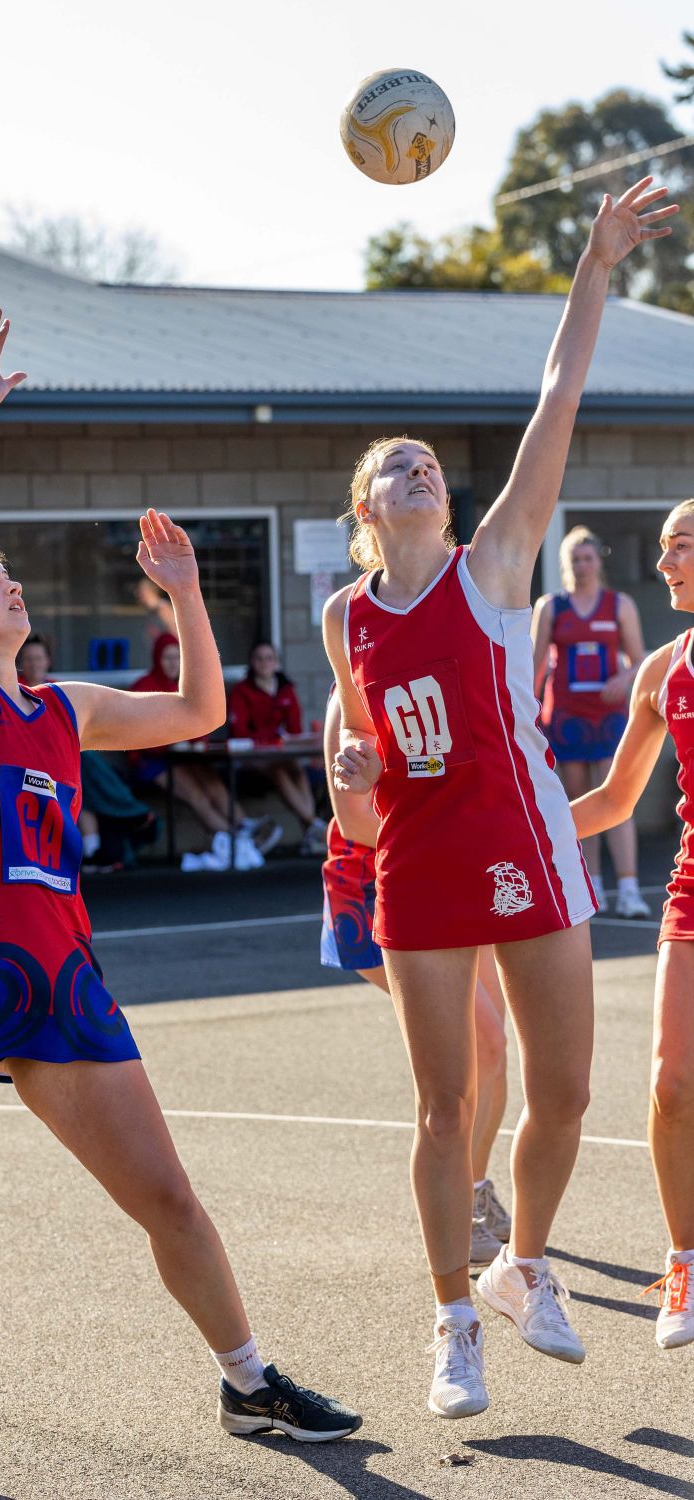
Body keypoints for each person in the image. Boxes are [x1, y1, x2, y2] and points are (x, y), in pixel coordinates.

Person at [0, 311, 360, 1474]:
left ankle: (249, 1383)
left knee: (171, 1201)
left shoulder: (64, 707)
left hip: (60, 982)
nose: (5, 586)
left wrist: (185, 594)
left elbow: (201, 711)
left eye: (4, 577)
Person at [322, 179, 676, 1420]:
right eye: (396, 467)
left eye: (427, 463)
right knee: (445, 1105)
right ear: (367, 510)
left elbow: (556, 394)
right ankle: (452, 1322)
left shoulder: (496, 566)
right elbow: (361, 804)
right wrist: (354, 778)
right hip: (418, 867)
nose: (419, 470)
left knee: (563, 1092)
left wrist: (595, 263)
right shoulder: (344, 618)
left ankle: (523, 1269)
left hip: (525, 847)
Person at [320, 696, 511, 1268]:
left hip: (456, 875)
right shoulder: (350, 696)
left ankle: (473, 1190)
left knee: (493, 1051)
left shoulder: (451, 672)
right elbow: (355, 819)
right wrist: (453, 837)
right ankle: (459, 1212)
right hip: (380, 887)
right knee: (478, 1046)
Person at [570, 497, 694, 1350]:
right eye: (662, 548)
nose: (662, 564)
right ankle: (685, 1262)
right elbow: (616, 798)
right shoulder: (662, 669)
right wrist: (522, 829)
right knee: (671, 1084)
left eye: (679, 546)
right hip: (691, 887)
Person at [533, 526, 649, 916]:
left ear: (599, 561)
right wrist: (527, 717)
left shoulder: (619, 605)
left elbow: (640, 660)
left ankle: (629, 889)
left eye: (587, 558)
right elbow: (534, 669)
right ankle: (592, 884)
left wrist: (623, 678)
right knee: (579, 803)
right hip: (566, 717)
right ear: (565, 564)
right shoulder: (551, 606)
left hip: (609, 716)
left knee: (617, 799)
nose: (582, 566)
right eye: (575, 560)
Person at [129, 634, 273, 871]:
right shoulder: (143, 688)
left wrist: (195, 739)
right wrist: (174, 740)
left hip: (183, 756)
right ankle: (236, 841)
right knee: (197, 795)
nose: (173, 663)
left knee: (212, 781)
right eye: (167, 657)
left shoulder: (186, 686)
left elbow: (199, 726)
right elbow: (140, 736)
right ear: (157, 658)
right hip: (150, 760)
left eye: (177, 657)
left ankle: (244, 825)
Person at [18, 632, 157, 872]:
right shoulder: (14, 690)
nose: (34, 664)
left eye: (39, 658)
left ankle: (93, 849)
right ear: (21, 663)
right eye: (29, 659)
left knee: (81, 770)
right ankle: (129, 809)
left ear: (48, 661)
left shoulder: (58, 689)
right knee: (84, 765)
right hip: (32, 761)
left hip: (63, 761)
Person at [228, 642, 327, 855]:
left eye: (269, 658)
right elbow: (240, 732)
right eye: (259, 658)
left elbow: (295, 730)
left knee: (297, 770)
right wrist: (272, 739)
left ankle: (311, 830)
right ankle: (314, 824)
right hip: (251, 759)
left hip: (282, 754)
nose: (264, 663)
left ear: (276, 662)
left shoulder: (286, 689)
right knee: (279, 771)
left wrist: (283, 740)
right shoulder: (241, 691)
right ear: (252, 662)